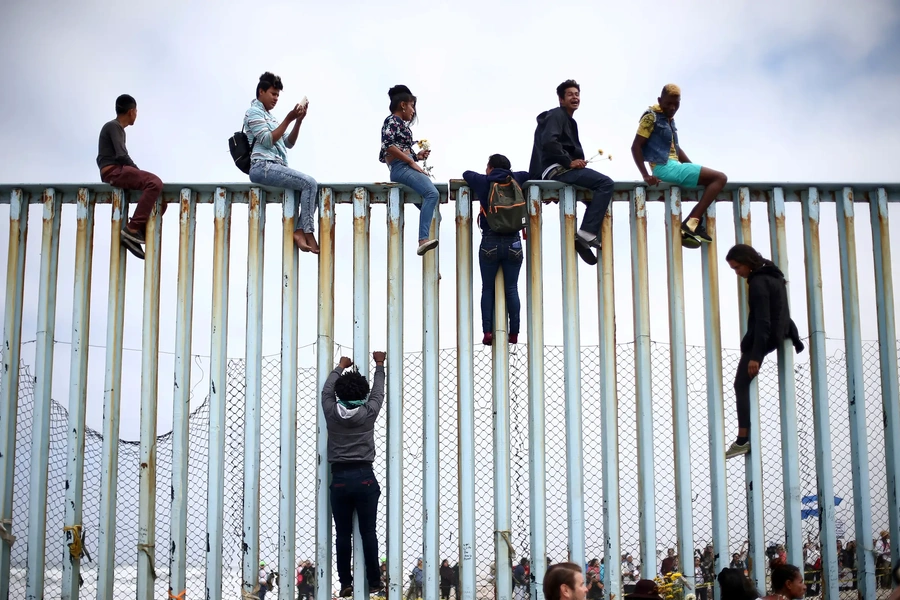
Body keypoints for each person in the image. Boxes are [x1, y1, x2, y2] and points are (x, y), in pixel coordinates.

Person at [725, 244, 805, 458]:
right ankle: (743, 439)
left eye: (737, 267)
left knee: (740, 384)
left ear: (748, 262)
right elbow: (781, 309)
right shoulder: (773, 275)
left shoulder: (758, 283)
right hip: (777, 333)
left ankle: (742, 440)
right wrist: (793, 335)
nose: (737, 272)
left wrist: (755, 356)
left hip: (763, 338)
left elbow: (763, 320)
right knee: (741, 383)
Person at [529, 79, 615, 266]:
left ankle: (585, 238)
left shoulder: (568, 120)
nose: (575, 97)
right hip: (557, 170)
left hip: (558, 169)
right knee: (606, 184)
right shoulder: (556, 115)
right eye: (570, 94)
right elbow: (549, 142)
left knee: (593, 198)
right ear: (561, 99)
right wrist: (569, 161)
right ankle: (585, 234)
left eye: (577, 94)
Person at [322, 352, 387, 597]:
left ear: (340, 392)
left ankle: (345, 583)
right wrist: (379, 365)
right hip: (364, 476)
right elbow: (379, 392)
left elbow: (326, 391)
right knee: (368, 532)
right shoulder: (368, 412)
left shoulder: (330, 411)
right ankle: (374, 581)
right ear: (363, 393)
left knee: (342, 533)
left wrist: (339, 366)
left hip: (339, 478)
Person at [630, 84, 728, 246]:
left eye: (676, 104)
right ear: (660, 100)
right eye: (668, 103)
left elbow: (676, 147)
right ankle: (692, 223)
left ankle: (694, 223)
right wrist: (645, 175)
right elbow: (636, 146)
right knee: (720, 178)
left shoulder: (669, 119)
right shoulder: (651, 117)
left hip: (674, 166)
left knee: (711, 179)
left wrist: (691, 166)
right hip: (664, 167)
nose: (672, 107)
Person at [244, 72, 320, 253]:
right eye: (273, 93)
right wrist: (289, 118)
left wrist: (298, 121)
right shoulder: (253, 112)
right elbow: (267, 140)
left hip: (275, 166)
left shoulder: (270, 117)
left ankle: (302, 229)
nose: (276, 98)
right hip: (262, 166)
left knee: (313, 187)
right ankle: (304, 231)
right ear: (261, 91)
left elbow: (288, 143)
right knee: (310, 183)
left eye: (278, 95)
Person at [463, 154, 530, 345]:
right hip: (514, 243)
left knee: (488, 288)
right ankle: (514, 333)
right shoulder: (517, 179)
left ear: (490, 168)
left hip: (490, 242)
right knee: (512, 288)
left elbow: (466, 173)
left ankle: (487, 333)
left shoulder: (484, 182)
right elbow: (530, 173)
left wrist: (486, 176)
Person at [97, 94, 165, 260]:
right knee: (154, 182)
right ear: (131, 111)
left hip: (117, 170)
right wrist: (136, 171)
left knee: (161, 200)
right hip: (113, 171)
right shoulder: (113, 126)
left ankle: (137, 233)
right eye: (136, 111)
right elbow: (121, 155)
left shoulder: (116, 128)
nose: (136, 114)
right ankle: (132, 229)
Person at [380, 85, 439, 256]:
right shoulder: (392, 121)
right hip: (401, 168)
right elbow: (388, 146)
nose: (413, 111)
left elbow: (400, 148)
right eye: (412, 106)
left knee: (434, 212)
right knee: (432, 194)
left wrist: (417, 156)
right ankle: (423, 240)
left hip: (404, 166)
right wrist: (412, 162)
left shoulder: (400, 125)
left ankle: (433, 260)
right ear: (404, 105)